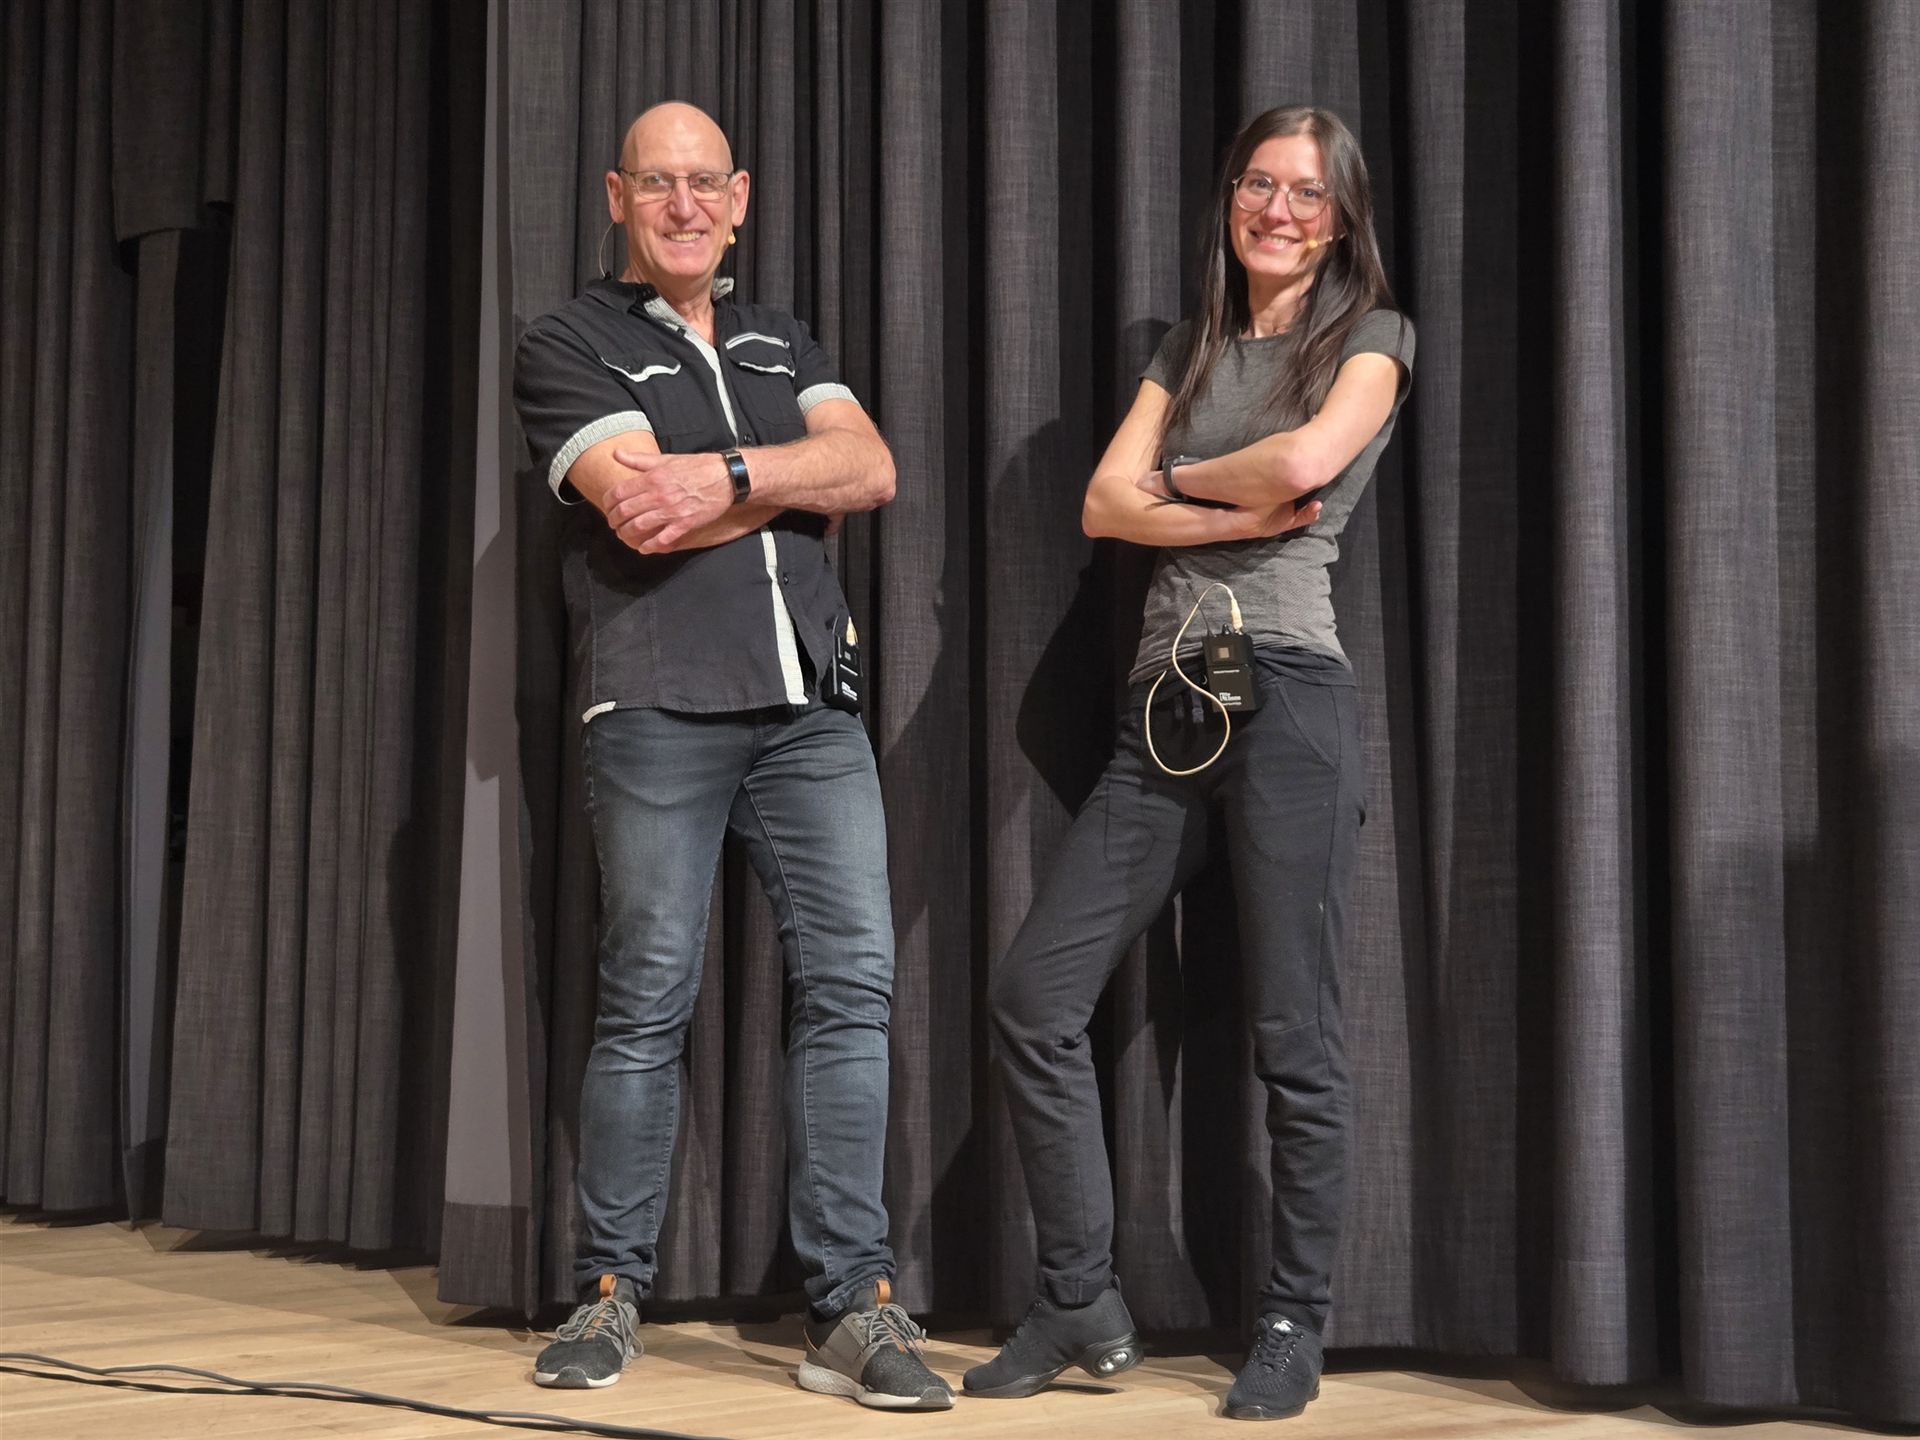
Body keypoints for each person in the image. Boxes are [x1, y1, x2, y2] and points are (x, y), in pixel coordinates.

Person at [963, 105, 1415, 1422]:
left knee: (1293, 1037)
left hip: (1287, 695)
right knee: (1034, 997)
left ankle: (1290, 1322)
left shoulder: (1373, 338)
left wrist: (1179, 485)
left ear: (1341, 219)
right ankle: (1078, 1297)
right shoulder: (1188, 345)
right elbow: (1103, 506)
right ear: (1231, 197)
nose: (1279, 210)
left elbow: (1309, 461)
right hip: (1168, 703)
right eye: (1260, 184)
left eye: (1309, 194)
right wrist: (1233, 493)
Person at [511, 101, 951, 1411]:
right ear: (618, 198)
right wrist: (786, 479)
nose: (685, 204)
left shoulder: (781, 338)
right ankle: (608, 1292)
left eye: (706, 182)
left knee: (854, 985)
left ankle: (852, 1307)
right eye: (659, 183)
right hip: (657, 702)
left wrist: (726, 475)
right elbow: (638, 511)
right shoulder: (567, 342)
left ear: (741, 198)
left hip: (811, 711)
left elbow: (872, 469)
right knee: (647, 997)